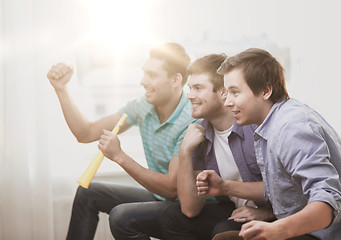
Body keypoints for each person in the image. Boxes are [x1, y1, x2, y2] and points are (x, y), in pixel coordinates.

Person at [47, 42, 198, 240]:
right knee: (87, 193)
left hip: (188, 206)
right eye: (144, 73)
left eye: (152, 75)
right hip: (161, 198)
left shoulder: (190, 119)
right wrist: (61, 90)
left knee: (122, 216)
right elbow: (86, 133)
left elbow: (171, 189)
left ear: (175, 80)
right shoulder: (144, 105)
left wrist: (119, 156)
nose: (143, 81)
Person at [199, 48, 341, 240]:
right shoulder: (269, 126)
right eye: (227, 93)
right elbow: (285, 187)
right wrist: (224, 187)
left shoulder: (291, 128)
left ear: (266, 90)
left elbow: (328, 198)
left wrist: (279, 230)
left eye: (235, 92)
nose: (227, 102)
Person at [159, 54, 275, 240]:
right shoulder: (200, 135)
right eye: (190, 88)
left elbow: (287, 188)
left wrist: (267, 213)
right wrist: (185, 151)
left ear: (223, 92)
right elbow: (190, 209)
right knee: (170, 219)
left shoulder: (254, 126)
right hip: (239, 212)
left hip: (277, 214)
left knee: (222, 231)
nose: (189, 96)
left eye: (198, 88)